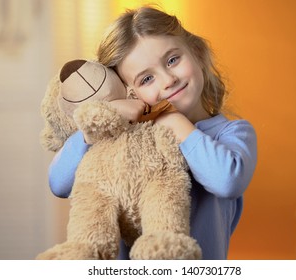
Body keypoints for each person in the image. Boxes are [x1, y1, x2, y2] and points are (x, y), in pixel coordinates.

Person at [48, 6, 257, 260]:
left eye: (172, 60)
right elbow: (58, 183)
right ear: (130, 92)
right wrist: (102, 119)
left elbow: (227, 181)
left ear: (198, 54)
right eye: (146, 79)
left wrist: (175, 122)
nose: (168, 80)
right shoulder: (122, 139)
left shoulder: (232, 133)